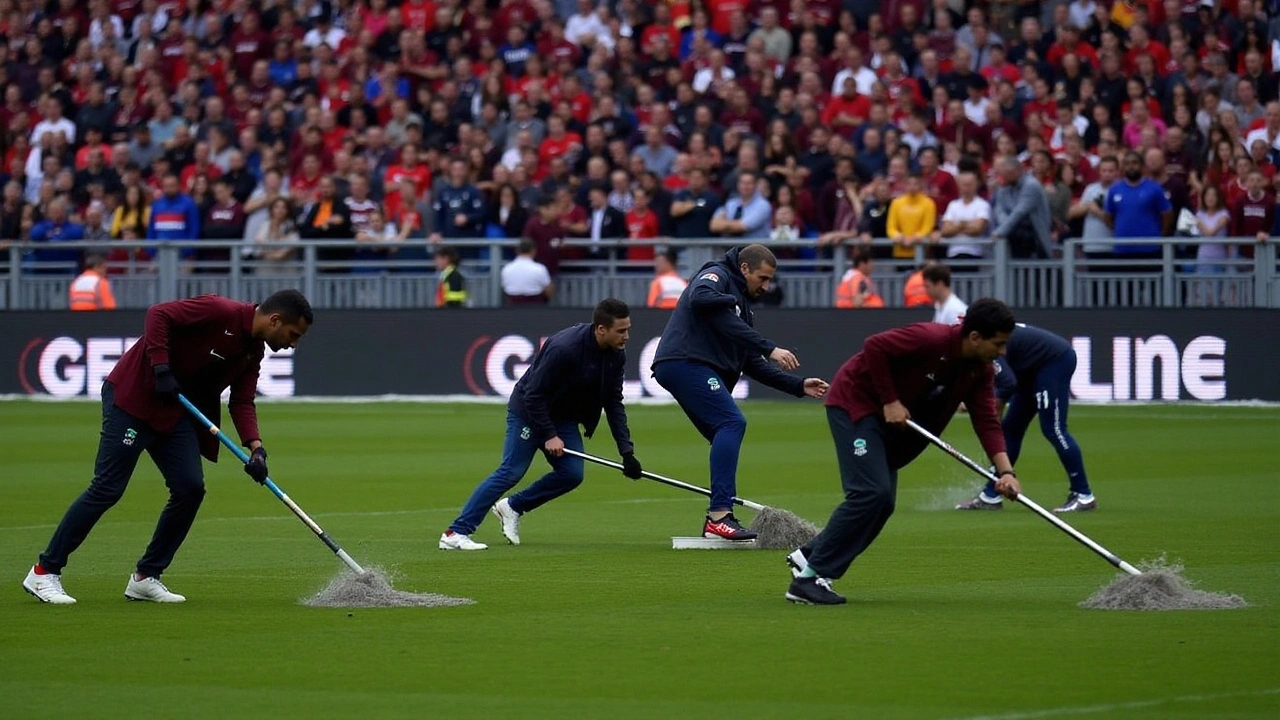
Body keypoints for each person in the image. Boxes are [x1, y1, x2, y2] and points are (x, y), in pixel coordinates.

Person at [22, 291, 314, 604]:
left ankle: (146, 577)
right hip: (134, 400)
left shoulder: (253, 352)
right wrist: (161, 367)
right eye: (293, 335)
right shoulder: (218, 310)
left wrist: (256, 449)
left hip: (175, 413)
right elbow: (158, 314)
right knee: (107, 488)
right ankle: (44, 572)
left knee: (190, 488)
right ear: (274, 320)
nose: (293, 344)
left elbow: (242, 400)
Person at [783, 299, 1021, 605]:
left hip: (893, 424)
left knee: (883, 503)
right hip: (857, 404)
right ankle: (809, 580)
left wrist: (1005, 472)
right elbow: (875, 347)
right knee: (871, 493)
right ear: (975, 337)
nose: (1002, 353)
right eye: (998, 344)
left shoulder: (980, 371)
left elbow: (987, 421)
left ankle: (809, 557)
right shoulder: (930, 338)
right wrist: (890, 400)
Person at [652, 244, 830, 540]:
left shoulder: (741, 309)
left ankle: (717, 520)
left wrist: (798, 385)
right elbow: (699, 296)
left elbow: (751, 363)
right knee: (731, 423)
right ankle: (719, 516)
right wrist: (769, 347)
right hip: (684, 362)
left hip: (689, 365)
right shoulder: (717, 274)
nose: (766, 285)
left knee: (723, 433)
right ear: (744, 268)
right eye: (762, 278)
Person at [440, 299, 642, 550]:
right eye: (621, 331)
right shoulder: (565, 348)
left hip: (563, 417)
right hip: (528, 411)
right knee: (511, 471)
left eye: (628, 329)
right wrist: (549, 435)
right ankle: (455, 533)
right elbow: (533, 394)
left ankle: (512, 507)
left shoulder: (616, 356)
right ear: (601, 329)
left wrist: (627, 452)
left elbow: (613, 403)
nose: (627, 336)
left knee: (572, 474)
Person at [957, 323, 1096, 513]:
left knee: (1054, 429)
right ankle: (990, 495)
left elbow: (1006, 384)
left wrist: (991, 414)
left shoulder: (986, 343)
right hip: (1030, 370)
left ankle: (1083, 494)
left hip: (1054, 362)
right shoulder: (982, 338)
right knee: (1011, 430)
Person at [1103, 150, 1172, 264]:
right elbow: (1108, 216)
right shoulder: (1115, 189)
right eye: (1127, 163)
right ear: (1123, 167)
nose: (1131, 167)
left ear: (1142, 166)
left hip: (1149, 249)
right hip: (1122, 249)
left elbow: (1167, 214)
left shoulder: (1154, 188)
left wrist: (1160, 235)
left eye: (1135, 163)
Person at [990, 157, 1053, 260]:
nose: (1004, 177)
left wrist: (1001, 232)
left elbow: (1019, 212)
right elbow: (999, 208)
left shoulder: (1031, 185)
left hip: (1034, 239)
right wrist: (1004, 225)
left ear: (1018, 172)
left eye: (1008, 174)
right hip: (1013, 237)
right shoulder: (1005, 185)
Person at [501, 238, 554, 305]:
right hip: (535, 306)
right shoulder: (539, 268)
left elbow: (505, 287)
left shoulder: (506, 268)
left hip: (512, 307)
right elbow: (549, 289)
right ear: (533, 251)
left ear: (517, 251)